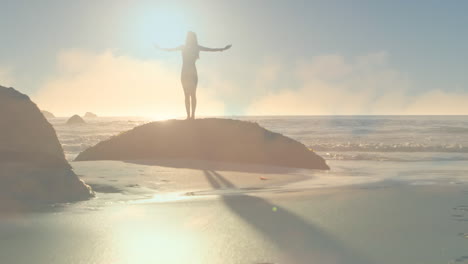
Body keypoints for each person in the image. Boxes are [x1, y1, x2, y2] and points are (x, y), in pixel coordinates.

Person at [155, 31, 231, 120]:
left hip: (190, 72)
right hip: (186, 72)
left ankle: (192, 116)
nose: (189, 38)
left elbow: (210, 49)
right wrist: (160, 48)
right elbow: (170, 49)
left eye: (190, 37)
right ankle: (189, 116)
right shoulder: (184, 47)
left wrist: (222, 49)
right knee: (187, 95)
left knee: (192, 94)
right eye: (189, 37)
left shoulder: (195, 47)